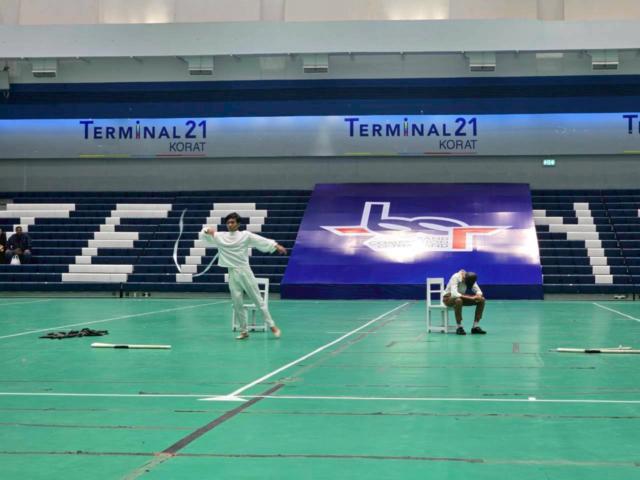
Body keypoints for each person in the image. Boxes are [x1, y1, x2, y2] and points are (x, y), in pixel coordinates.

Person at [200, 212, 287, 340]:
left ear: (238, 224)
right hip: (232, 272)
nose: (230, 224)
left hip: (245, 271)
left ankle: (272, 326)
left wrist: (275, 245)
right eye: (228, 222)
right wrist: (207, 230)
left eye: (232, 222)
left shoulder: (245, 235)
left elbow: (261, 240)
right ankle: (244, 331)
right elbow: (204, 235)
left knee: (257, 300)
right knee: (237, 303)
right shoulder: (220, 236)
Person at [442, 269, 486, 335]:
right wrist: (471, 298)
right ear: (464, 278)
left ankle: (475, 327)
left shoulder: (470, 278)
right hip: (448, 298)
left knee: (482, 300)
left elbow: (478, 291)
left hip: (461, 298)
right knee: (458, 300)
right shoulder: (455, 277)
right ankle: (459, 327)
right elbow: (454, 294)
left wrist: (478, 295)